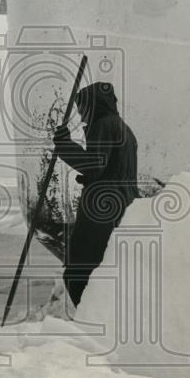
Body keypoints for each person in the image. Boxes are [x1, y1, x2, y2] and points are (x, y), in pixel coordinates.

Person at [53, 81, 139, 307]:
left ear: (94, 105)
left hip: (100, 207)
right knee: (101, 265)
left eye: (83, 110)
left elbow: (94, 166)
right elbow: (113, 169)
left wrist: (64, 145)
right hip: (122, 203)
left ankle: (88, 319)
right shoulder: (124, 129)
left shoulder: (102, 125)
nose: (81, 117)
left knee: (78, 270)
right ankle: (98, 317)